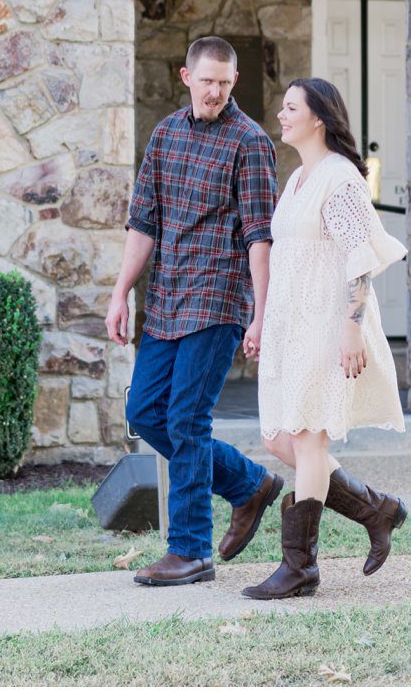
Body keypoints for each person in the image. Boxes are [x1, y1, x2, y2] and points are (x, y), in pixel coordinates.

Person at [107, 36, 283, 587]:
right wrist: (121, 292)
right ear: (186, 77)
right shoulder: (165, 135)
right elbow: (143, 223)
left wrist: (260, 313)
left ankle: (189, 551)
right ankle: (249, 483)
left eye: (225, 83)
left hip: (218, 299)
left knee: (186, 419)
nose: (216, 92)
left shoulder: (250, 142)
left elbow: (260, 236)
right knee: (144, 413)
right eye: (207, 81)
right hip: (166, 299)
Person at [242, 77, 409, 601]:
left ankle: (299, 568)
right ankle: (375, 510)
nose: (281, 114)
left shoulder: (339, 179)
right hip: (292, 325)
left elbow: (359, 256)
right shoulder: (299, 179)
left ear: (318, 118)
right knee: (279, 439)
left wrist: (351, 326)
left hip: (326, 324)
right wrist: (263, 320)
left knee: (309, 438)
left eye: (291, 107)